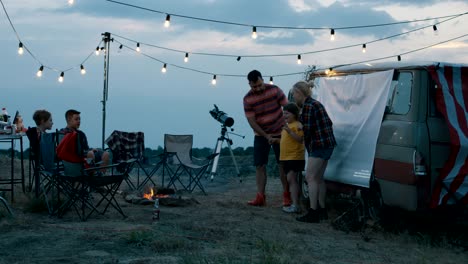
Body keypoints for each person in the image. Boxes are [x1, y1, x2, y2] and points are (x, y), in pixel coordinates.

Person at [292, 81, 336, 223]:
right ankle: (322, 210)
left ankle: (313, 212)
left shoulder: (308, 107)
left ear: (299, 93)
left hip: (318, 145)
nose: (293, 97)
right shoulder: (315, 104)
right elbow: (328, 123)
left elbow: (308, 131)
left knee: (310, 178)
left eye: (294, 94)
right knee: (319, 178)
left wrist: (300, 131)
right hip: (327, 145)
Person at [243, 70, 289, 206]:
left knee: (283, 164)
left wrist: (289, 128)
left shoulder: (275, 90)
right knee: (259, 165)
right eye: (253, 87)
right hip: (260, 134)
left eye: (259, 85)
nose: (257, 89)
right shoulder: (247, 99)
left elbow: (288, 109)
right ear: (249, 84)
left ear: (262, 80)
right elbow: (251, 121)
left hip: (281, 131)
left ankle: (287, 195)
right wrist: (265, 135)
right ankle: (260, 197)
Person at [276, 103, 305, 213]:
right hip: (286, 157)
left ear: (294, 114)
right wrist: (276, 140)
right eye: (283, 113)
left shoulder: (297, 125)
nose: (284, 115)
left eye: (287, 113)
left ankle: (295, 205)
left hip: (294, 157)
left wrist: (289, 131)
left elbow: (299, 139)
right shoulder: (287, 126)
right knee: (290, 180)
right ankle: (295, 204)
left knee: (291, 179)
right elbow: (287, 141)